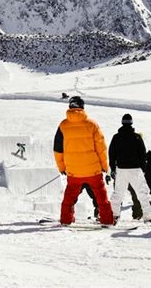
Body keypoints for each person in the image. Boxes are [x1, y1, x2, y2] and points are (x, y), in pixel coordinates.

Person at [53, 96, 114, 226]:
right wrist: (105, 166)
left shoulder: (63, 125)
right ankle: (107, 220)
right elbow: (101, 148)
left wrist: (62, 168)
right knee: (101, 197)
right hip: (93, 171)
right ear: (82, 107)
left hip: (73, 171)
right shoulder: (92, 124)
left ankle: (66, 220)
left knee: (69, 198)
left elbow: (58, 150)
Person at [109, 114, 151, 224]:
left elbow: (111, 154)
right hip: (135, 170)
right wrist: (143, 169)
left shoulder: (116, 137)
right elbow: (142, 154)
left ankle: (114, 216)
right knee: (142, 193)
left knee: (118, 194)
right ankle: (148, 217)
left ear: (122, 122)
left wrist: (112, 168)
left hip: (121, 170)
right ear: (131, 123)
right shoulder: (137, 137)